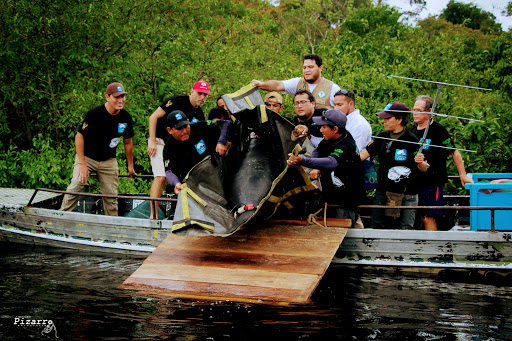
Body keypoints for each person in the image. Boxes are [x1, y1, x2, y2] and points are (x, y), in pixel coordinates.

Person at [60, 82, 135, 216]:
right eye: (117, 97)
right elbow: (79, 136)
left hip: (108, 160)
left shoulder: (126, 117)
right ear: (107, 97)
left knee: (111, 195)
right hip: (88, 157)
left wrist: (130, 165)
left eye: (123, 96)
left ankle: (112, 226)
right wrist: (82, 164)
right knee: (77, 184)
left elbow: (128, 142)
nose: (121, 100)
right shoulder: (95, 114)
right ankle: (61, 217)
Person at [287, 109, 364, 227]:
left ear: (335, 129)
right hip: (332, 198)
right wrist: (315, 167)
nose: (320, 130)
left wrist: (303, 161)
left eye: (323, 127)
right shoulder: (332, 138)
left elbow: (332, 162)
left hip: (345, 203)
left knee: (339, 231)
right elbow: (318, 151)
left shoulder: (346, 145)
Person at [147, 80, 210, 219]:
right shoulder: (176, 101)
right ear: (192, 91)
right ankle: (153, 216)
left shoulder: (199, 114)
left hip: (177, 146)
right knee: (161, 176)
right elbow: (153, 117)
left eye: (205, 95)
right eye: (200, 93)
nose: (202, 97)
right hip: (159, 140)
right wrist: (152, 140)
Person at [360, 102, 428, 229]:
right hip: (383, 190)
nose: (384, 121)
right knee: (376, 224)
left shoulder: (411, 139)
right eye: (383, 118)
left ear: (399, 119)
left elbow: (423, 168)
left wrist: (421, 161)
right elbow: (362, 156)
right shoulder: (381, 137)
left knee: (406, 227)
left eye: (388, 118)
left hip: (407, 192)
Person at [411, 95, 474, 230]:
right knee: (419, 216)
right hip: (416, 181)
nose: (414, 113)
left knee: (429, 215)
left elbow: (454, 152)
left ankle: (432, 247)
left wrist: (462, 174)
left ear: (428, 112)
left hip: (433, 181)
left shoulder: (438, 130)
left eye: (419, 110)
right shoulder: (413, 130)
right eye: (413, 109)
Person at [163, 110, 232, 195]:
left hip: (214, 173)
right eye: (179, 128)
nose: (184, 131)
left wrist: (221, 142)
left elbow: (226, 123)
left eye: (186, 126)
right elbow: (169, 172)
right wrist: (176, 183)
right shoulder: (169, 147)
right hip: (193, 184)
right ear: (169, 130)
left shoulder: (198, 126)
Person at [252, 54, 341, 109]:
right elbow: (278, 85)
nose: (307, 70)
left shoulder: (332, 88)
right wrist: (261, 84)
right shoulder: (298, 83)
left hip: (323, 136)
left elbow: (342, 113)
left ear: (320, 68)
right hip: (302, 135)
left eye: (310, 67)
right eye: (304, 67)